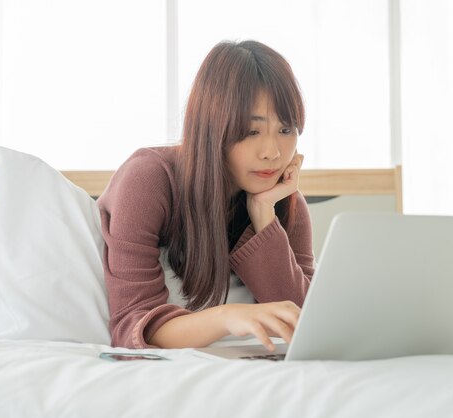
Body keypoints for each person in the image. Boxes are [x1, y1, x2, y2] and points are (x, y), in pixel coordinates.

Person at [97, 40, 314, 351]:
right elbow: (133, 326)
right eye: (252, 131)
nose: (272, 153)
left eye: (285, 129)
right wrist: (227, 317)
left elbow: (305, 322)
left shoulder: (285, 201)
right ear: (213, 127)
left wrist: (264, 215)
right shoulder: (148, 180)